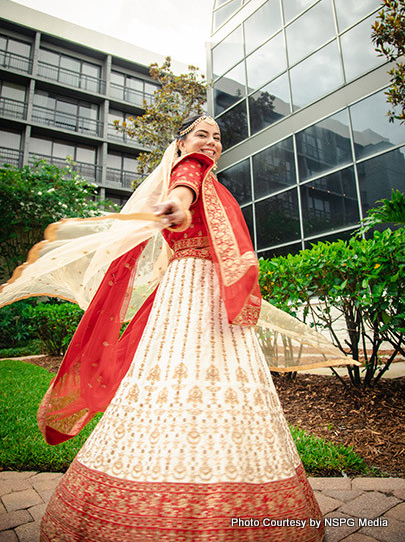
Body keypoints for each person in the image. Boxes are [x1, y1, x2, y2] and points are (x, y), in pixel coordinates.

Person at [1, 115, 356, 540]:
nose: (210, 143)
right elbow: (184, 188)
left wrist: (180, 208)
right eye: (201, 135)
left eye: (218, 137)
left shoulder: (209, 183)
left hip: (190, 290)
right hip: (199, 292)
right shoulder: (191, 170)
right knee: (209, 379)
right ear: (182, 142)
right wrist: (180, 203)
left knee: (177, 380)